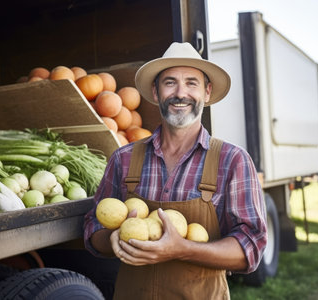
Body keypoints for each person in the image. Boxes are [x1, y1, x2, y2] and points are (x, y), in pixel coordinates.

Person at [83, 42, 267, 299]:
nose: (181, 93)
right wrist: (112, 240)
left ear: (207, 92)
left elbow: (251, 247)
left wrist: (183, 249)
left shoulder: (232, 160)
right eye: (170, 82)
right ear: (156, 92)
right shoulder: (123, 159)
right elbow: (92, 226)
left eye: (192, 83)